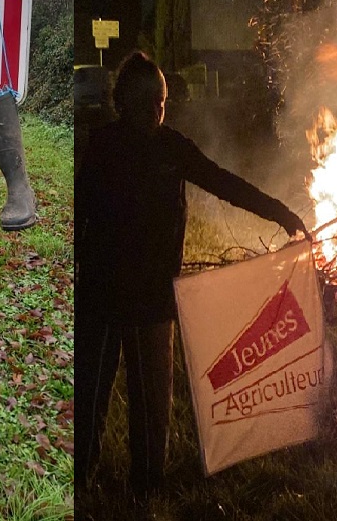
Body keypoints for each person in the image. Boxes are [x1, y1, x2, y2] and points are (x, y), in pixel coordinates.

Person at [75, 50, 311, 499]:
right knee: (90, 396)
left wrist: (278, 212)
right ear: (123, 103)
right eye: (148, 104)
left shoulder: (171, 148)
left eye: (162, 103)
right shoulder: (103, 146)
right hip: (103, 297)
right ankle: (81, 481)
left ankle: (145, 488)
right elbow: (79, 215)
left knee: (152, 405)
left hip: (153, 300)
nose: (157, 112)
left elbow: (223, 182)